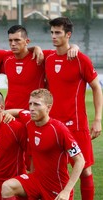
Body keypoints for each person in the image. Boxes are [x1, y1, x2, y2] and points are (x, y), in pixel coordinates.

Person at [44, 17, 102, 200]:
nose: (53, 36)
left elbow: (96, 87)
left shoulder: (80, 59)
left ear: (68, 34)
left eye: (58, 32)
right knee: (54, 171)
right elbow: (29, 50)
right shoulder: (48, 58)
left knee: (84, 170)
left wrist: (98, 119)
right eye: (52, 32)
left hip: (76, 125)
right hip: (52, 125)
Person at [1, 88, 85, 200]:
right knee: (7, 187)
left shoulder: (59, 129)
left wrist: (66, 191)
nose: (31, 108)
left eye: (36, 104)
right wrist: (3, 114)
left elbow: (80, 160)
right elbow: (19, 111)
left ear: (48, 107)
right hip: (36, 180)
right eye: (30, 104)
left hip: (57, 187)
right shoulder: (29, 120)